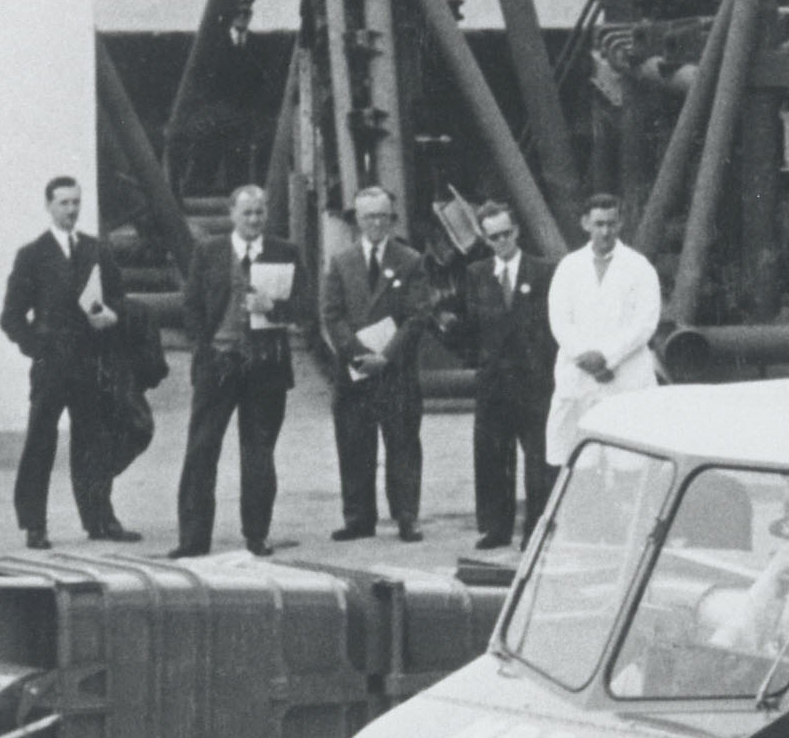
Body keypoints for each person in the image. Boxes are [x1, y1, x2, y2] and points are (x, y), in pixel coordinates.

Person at [0, 174, 137, 547]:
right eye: (64, 203)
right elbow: (11, 317)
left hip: (90, 362)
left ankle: (100, 520)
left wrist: (112, 315)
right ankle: (34, 524)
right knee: (40, 443)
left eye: (76, 202)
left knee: (93, 443)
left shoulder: (95, 250)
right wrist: (39, 349)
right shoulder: (32, 255)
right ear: (49, 206)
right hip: (52, 366)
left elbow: (118, 299)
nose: (71, 210)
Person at [170, 185, 299, 558]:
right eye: (247, 213)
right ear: (232, 214)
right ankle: (193, 539)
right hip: (219, 364)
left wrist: (274, 307)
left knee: (258, 453)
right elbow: (191, 305)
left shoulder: (284, 252)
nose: (254, 220)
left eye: (260, 212)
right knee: (201, 450)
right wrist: (205, 347)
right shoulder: (209, 251)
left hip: (266, 367)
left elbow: (305, 306)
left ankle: (256, 535)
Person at [439, 202, 556, 551]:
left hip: (534, 382)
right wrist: (449, 328)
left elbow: (552, 327)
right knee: (493, 458)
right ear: (485, 239)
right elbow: (469, 326)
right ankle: (496, 528)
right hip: (493, 383)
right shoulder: (476, 274)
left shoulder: (544, 271)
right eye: (494, 237)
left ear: (516, 231)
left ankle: (536, 530)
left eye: (506, 234)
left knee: (538, 462)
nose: (501, 241)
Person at [319, 186, 433, 543]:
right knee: (354, 445)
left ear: (391, 218)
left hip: (395, 371)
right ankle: (358, 518)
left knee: (403, 444)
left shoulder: (410, 260)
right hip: (354, 372)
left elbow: (417, 316)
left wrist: (385, 356)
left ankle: (406, 516)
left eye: (384, 216)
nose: (377, 223)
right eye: (370, 217)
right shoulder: (341, 262)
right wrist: (356, 354)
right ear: (357, 219)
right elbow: (332, 314)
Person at [545, 194, 663, 468]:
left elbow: (645, 323)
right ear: (585, 224)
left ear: (620, 223)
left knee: (629, 462)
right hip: (579, 375)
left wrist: (607, 359)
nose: (605, 232)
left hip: (625, 376)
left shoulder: (639, 267)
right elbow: (559, 320)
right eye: (599, 224)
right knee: (580, 464)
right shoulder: (569, 266)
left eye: (611, 224)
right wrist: (585, 357)